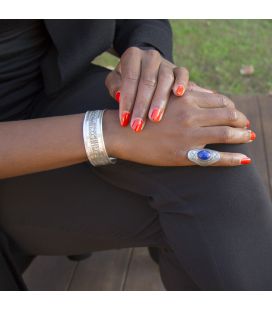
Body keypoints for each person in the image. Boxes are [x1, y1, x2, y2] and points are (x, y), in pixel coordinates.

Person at [0, 19, 271, 291]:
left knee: (207, 147)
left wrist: (147, 55)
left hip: (55, 84)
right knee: (202, 213)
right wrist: (107, 133)